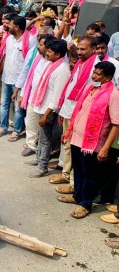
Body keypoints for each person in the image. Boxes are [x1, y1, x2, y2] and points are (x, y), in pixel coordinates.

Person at [59, 62, 119, 219]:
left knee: (90, 175)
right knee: (77, 170)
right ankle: (77, 196)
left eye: (98, 74)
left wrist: (106, 148)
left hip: (93, 144)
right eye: (94, 72)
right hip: (77, 139)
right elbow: (79, 111)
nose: (94, 76)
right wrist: (69, 132)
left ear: (108, 77)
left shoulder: (113, 94)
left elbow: (116, 124)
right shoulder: (90, 89)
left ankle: (85, 204)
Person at [50, 36, 99, 187]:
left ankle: (73, 183)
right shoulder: (80, 62)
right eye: (78, 48)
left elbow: (95, 93)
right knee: (67, 145)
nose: (79, 52)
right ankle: (65, 174)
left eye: (83, 49)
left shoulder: (95, 67)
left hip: (79, 114)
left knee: (74, 148)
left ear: (93, 49)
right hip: (68, 110)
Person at [27, 39, 70, 178]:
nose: (47, 53)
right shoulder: (52, 64)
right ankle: (39, 158)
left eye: (50, 51)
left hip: (49, 110)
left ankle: (42, 166)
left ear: (58, 54)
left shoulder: (62, 69)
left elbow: (57, 97)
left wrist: (46, 114)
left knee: (45, 139)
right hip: (42, 107)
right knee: (41, 136)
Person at [0, 15, 36, 140]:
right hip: (6, 77)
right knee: (4, 104)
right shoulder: (9, 39)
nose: (7, 26)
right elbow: (5, 56)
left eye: (10, 25)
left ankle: (16, 131)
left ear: (16, 27)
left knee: (18, 108)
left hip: (20, 81)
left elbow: (30, 63)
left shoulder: (30, 40)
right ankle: (3, 127)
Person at [18, 30, 54, 157]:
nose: (38, 47)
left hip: (45, 100)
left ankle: (42, 153)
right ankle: (31, 145)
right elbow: (30, 76)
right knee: (31, 122)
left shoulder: (54, 62)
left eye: (41, 45)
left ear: (49, 47)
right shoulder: (38, 58)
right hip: (32, 96)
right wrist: (23, 93)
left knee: (44, 129)